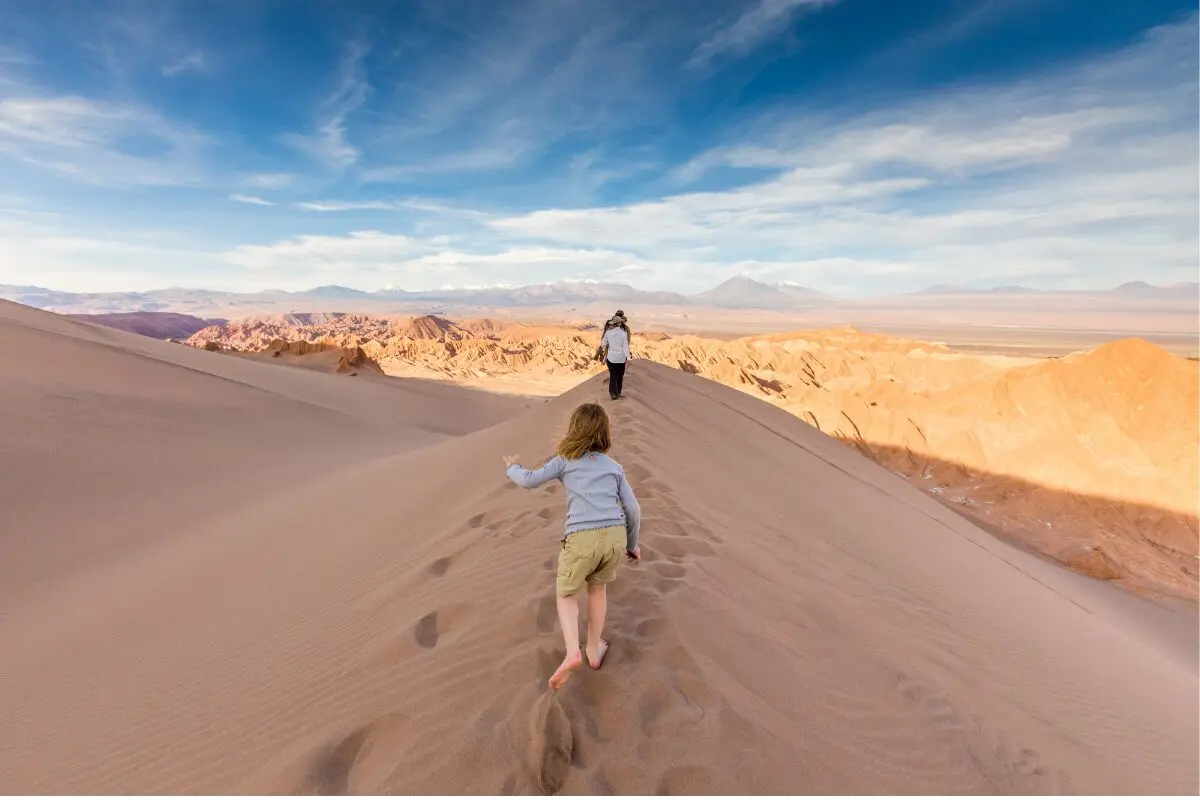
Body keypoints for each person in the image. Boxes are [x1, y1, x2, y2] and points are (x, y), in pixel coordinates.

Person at [503, 402, 642, 690]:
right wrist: (632, 544)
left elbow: (528, 481)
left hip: (582, 538)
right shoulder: (614, 467)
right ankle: (594, 649)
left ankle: (572, 651)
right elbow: (633, 508)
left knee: (566, 594)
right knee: (598, 589)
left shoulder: (564, 460)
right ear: (604, 433)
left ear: (574, 430)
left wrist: (512, 467)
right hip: (615, 536)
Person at [600, 311, 631, 400]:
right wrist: (628, 357)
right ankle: (618, 392)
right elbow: (626, 344)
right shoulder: (624, 331)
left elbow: (603, 342)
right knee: (620, 375)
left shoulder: (608, 330)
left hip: (611, 355)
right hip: (621, 357)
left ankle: (613, 393)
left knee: (613, 374)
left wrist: (605, 348)